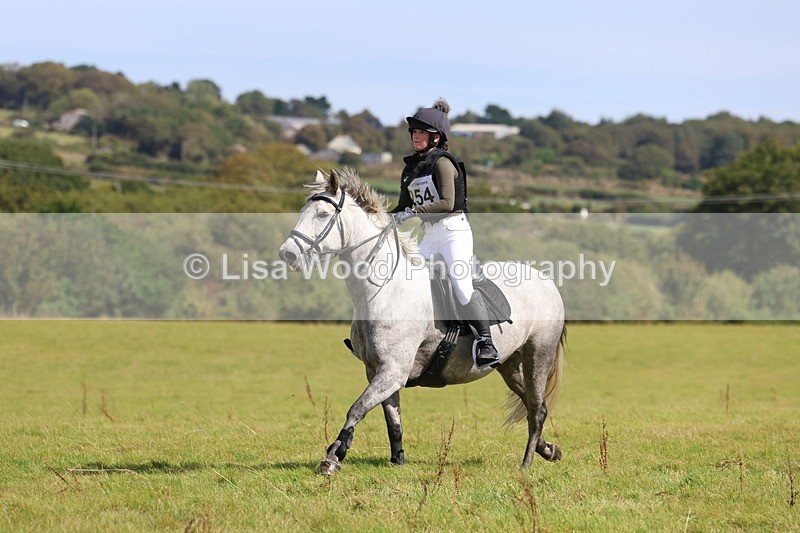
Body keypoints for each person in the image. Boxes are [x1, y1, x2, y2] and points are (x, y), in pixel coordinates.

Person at [391, 98, 500, 369]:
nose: (416, 136)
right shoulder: (410, 169)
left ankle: (486, 342)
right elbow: (402, 206)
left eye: (421, 133)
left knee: (461, 285)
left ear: (435, 137)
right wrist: (385, 218)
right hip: (429, 234)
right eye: (414, 132)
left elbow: (447, 204)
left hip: (453, 232)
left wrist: (412, 214)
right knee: (405, 278)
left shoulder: (442, 163)